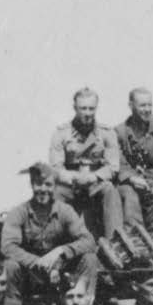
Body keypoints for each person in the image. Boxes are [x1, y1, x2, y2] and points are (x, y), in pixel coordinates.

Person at [0, 162, 100, 303]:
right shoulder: (18, 212)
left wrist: (61, 251)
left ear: (55, 187)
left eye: (48, 185)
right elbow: (8, 247)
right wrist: (38, 263)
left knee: (89, 259)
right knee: (9, 266)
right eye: (38, 184)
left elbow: (89, 241)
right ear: (31, 184)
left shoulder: (65, 211)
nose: (43, 189)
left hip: (61, 272)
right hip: (29, 273)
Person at [48, 87, 123, 238]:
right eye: (83, 108)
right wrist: (74, 178)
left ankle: (115, 241)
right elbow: (56, 167)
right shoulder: (61, 133)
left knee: (110, 190)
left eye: (91, 108)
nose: (88, 113)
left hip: (95, 183)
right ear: (75, 107)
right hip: (70, 184)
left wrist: (92, 177)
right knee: (56, 193)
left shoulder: (107, 133)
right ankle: (53, 240)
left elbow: (113, 166)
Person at [115, 88, 153, 233]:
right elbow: (118, 162)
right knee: (130, 201)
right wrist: (131, 178)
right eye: (142, 105)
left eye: (150, 105)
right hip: (128, 183)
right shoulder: (119, 132)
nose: (147, 109)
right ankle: (136, 244)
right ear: (131, 106)